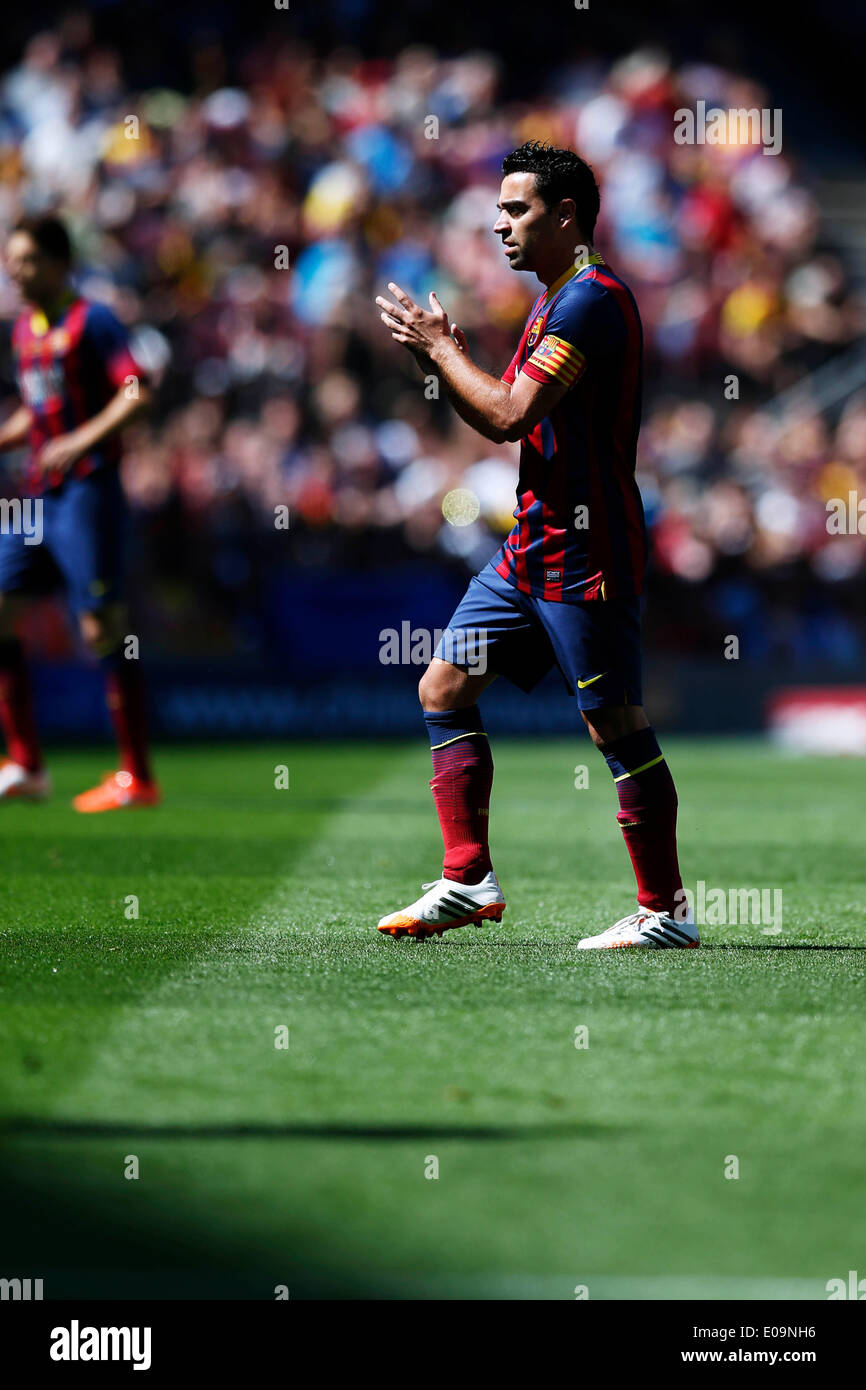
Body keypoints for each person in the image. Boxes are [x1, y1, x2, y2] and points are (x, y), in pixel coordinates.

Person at [373, 141, 696, 948]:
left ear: (565, 216)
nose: (498, 223)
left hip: (589, 553)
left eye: (515, 210)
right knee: (444, 688)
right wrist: (442, 353)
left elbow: (511, 415)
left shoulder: (591, 301)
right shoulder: (555, 298)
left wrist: (441, 350)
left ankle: (666, 913)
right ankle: (465, 879)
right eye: (499, 209)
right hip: (531, 547)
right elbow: (502, 420)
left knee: (614, 726)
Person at [0, 214, 159, 811]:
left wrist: (82, 440)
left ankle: (137, 776)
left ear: (60, 263)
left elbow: (137, 391)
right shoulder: (23, 330)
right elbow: (37, 415)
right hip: (36, 495)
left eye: (27, 260)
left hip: (87, 491)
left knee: (101, 628)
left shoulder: (94, 321)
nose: (16, 271)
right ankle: (27, 765)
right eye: (12, 260)